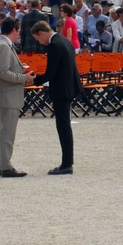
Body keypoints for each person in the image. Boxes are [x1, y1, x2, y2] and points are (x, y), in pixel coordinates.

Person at [31, 21, 82, 175]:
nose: (40, 42)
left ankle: (66, 164)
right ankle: (67, 162)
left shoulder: (54, 45)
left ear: (41, 33)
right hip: (69, 87)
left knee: (63, 127)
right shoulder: (65, 41)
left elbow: (50, 73)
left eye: (37, 39)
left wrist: (33, 80)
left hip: (61, 90)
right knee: (65, 126)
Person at [0, 18, 34, 178]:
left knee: (6, 132)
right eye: (18, 31)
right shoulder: (3, 46)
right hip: (8, 94)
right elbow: (3, 72)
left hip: (6, 93)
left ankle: (5, 165)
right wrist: (24, 78)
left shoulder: (0, 44)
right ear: (14, 30)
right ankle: (5, 166)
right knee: (7, 133)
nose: (19, 34)